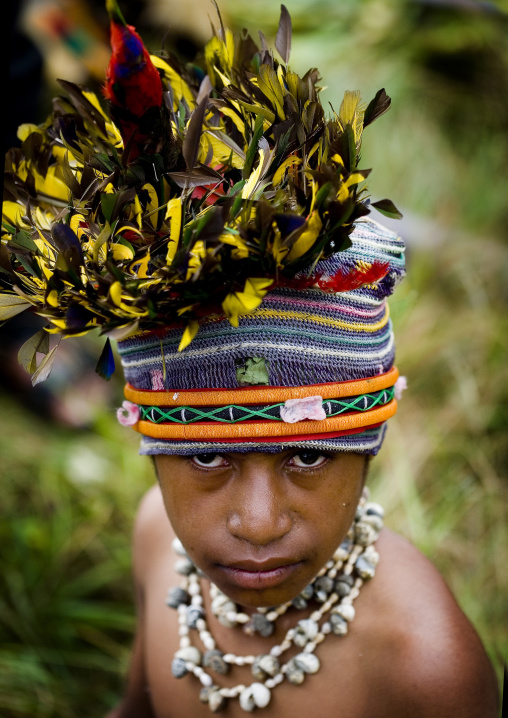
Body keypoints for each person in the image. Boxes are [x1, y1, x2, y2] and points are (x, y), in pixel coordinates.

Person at [0, 2, 498, 716]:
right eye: (207, 458)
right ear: (146, 440)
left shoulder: (426, 668)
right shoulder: (155, 532)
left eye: (307, 457)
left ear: (371, 441)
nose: (259, 524)